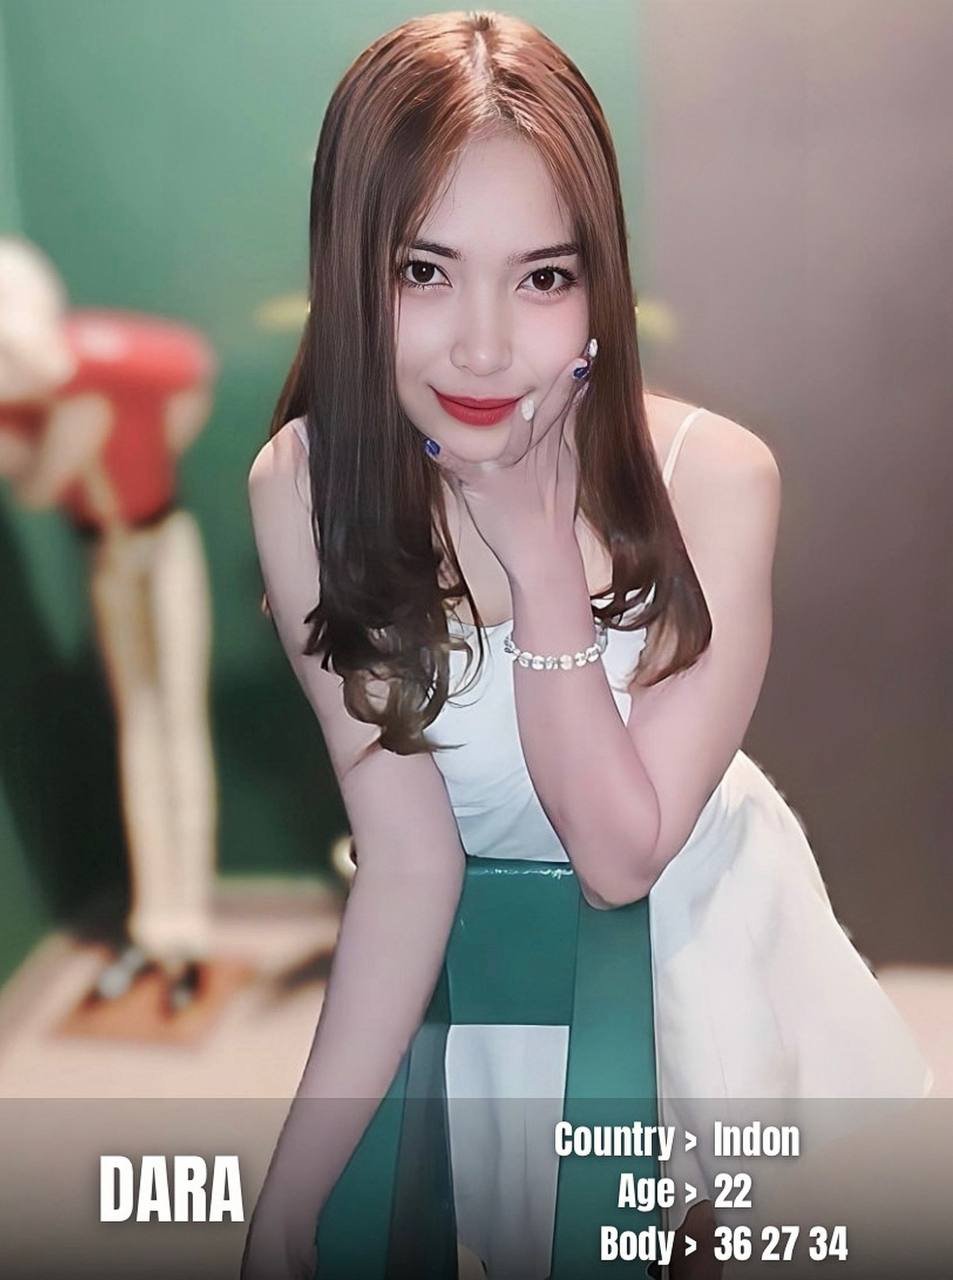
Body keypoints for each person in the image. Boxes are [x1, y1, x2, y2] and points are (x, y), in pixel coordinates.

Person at [243, 11, 934, 1278]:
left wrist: (542, 560)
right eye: (423, 270)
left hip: (692, 942)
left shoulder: (716, 479)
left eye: (542, 277)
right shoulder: (301, 487)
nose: (484, 344)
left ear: (597, 283)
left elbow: (619, 858)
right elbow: (408, 860)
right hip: (494, 958)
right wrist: (290, 1186)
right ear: (348, 271)